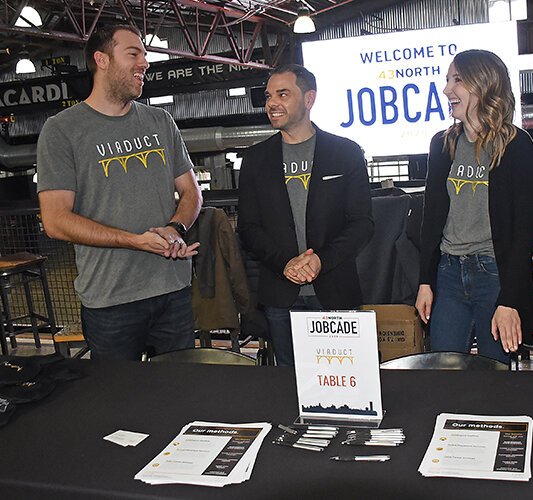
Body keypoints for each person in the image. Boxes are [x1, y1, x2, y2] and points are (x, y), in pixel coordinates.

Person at [36, 24, 202, 361]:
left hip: (173, 290)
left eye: (144, 54)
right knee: (119, 403)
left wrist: (175, 229)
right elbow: (55, 221)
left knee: (182, 393)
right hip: (111, 299)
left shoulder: (161, 121)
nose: (145, 63)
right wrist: (134, 240)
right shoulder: (62, 130)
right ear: (102, 59)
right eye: (134, 54)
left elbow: (191, 192)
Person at [237, 64, 373, 367]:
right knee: (289, 383)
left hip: (335, 293)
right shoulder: (255, 160)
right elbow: (248, 228)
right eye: (269, 95)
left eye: (283, 94)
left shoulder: (346, 152)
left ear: (309, 99)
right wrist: (284, 264)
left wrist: (320, 260)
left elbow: (362, 223)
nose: (272, 102)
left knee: (344, 381)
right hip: (280, 293)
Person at [416, 50, 533, 364]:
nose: (446, 90)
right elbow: (431, 220)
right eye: (447, 80)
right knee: (444, 371)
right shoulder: (442, 144)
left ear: (483, 84)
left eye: (456, 80)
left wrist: (510, 299)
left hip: (495, 275)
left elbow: (524, 232)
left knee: (495, 376)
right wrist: (425, 281)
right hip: (448, 273)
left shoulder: (516, 145)